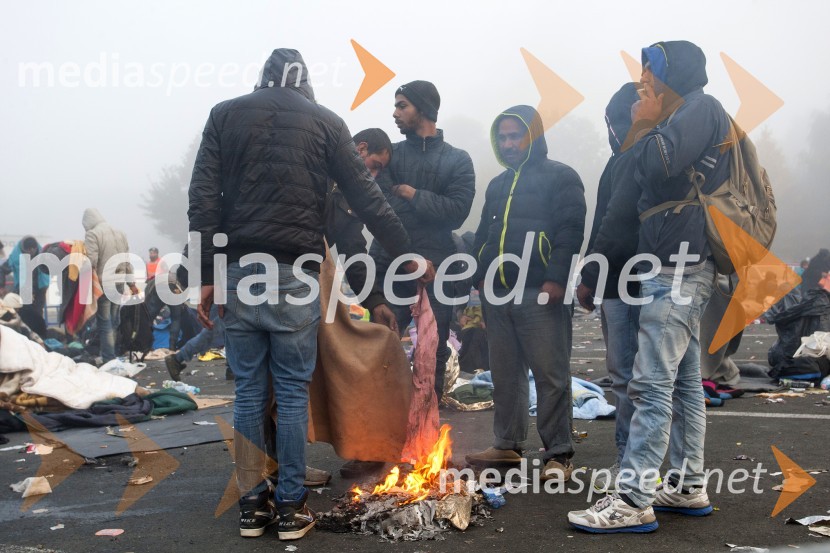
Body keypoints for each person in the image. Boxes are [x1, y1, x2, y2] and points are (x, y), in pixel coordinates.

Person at [187, 48, 430, 541]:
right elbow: (367, 197)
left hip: (239, 270)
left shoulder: (223, 115)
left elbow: (202, 198)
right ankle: (291, 509)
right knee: (293, 392)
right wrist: (406, 252)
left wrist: (206, 273)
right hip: (295, 270)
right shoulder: (325, 123)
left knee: (251, 392)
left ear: (263, 78)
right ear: (305, 83)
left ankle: (252, 507)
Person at [568, 40, 729, 533]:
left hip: (677, 268)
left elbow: (654, 163)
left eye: (650, 76)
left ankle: (634, 498)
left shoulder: (699, 107)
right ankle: (685, 483)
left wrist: (644, 121)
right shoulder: (683, 116)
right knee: (681, 385)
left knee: (651, 385)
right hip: (672, 264)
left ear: (671, 73)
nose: (644, 86)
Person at [464, 105, 586, 482]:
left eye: (515, 135)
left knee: (550, 375)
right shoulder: (498, 185)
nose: (509, 143)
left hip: (540, 291)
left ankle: (559, 454)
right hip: (498, 295)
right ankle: (507, 445)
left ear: (533, 136)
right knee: (505, 373)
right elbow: (484, 234)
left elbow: (570, 232)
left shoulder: (561, 177)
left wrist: (556, 280)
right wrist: (479, 274)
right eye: (502, 137)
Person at [369, 80, 475, 402]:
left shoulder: (458, 159)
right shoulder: (392, 156)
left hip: (437, 269)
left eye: (402, 105)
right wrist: (426, 205)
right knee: (379, 352)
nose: (395, 113)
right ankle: (378, 437)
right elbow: (379, 206)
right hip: (388, 266)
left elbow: (457, 213)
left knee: (431, 354)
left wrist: (413, 194)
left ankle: (425, 439)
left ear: (425, 109)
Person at [576, 82, 642, 491]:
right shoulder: (643, 157)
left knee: (626, 379)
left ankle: (630, 466)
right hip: (647, 279)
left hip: (625, 283)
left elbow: (611, 225)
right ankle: (677, 473)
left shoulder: (628, 159)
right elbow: (602, 225)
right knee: (656, 380)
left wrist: (589, 277)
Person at [83, 208, 139, 363]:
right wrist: (132, 284)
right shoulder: (120, 233)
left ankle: (108, 358)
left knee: (104, 322)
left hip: (104, 282)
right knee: (114, 320)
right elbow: (127, 260)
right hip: (120, 281)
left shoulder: (93, 234)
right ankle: (112, 355)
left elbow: (91, 261)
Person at [1, 236, 50, 339]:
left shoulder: (42, 254)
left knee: (37, 313)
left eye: (33, 249)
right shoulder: (15, 257)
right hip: (23, 288)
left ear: (36, 248)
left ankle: (40, 336)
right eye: (29, 250)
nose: (31, 251)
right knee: (25, 312)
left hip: (40, 287)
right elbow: (3, 269)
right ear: (24, 249)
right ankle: (25, 335)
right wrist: (1, 285)